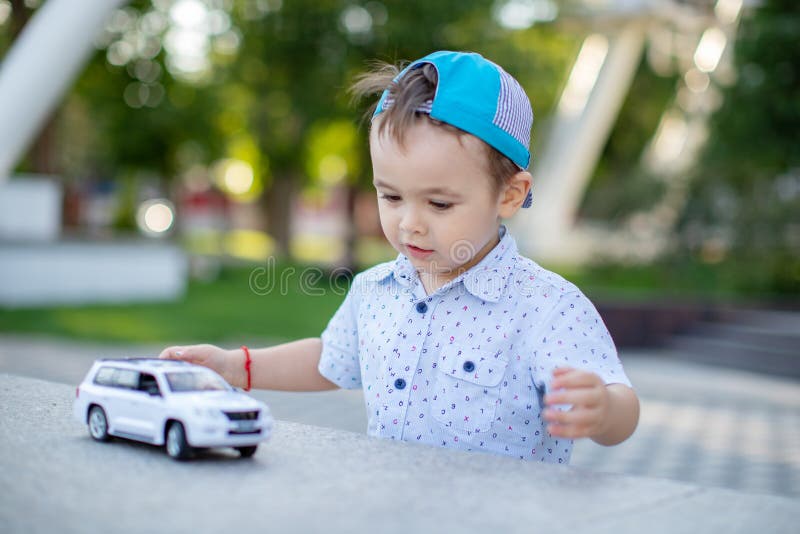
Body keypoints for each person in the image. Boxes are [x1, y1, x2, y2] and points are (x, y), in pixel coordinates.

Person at [160, 50, 640, 463]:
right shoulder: (375, 290)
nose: (410, 222)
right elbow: (331, 360)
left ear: (510, 196)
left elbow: (622, 406)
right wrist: (234, 366)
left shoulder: (545, 306)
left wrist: (603, 409)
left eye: (439, 203)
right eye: (390, 197)